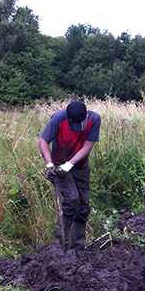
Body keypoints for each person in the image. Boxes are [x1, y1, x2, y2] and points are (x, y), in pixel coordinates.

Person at [39, 101, 101, 249]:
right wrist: (49, 165)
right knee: (72, 200)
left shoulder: (94, 119)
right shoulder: (59, 118)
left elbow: (87, 147)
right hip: (60, 167)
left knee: (83, 208)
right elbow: (43, 141)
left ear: (86, 115)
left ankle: (76, 249)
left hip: (80, 167)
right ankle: (58, 247)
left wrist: (70, 164)